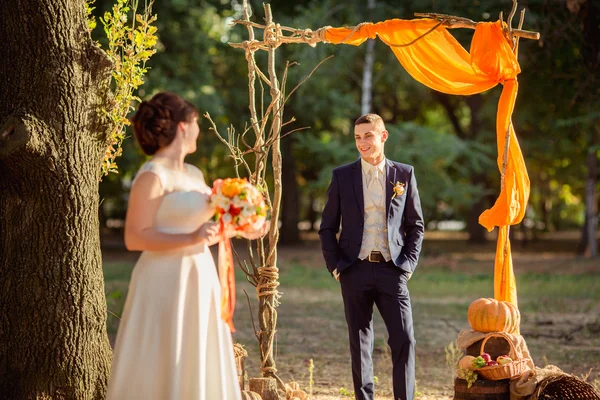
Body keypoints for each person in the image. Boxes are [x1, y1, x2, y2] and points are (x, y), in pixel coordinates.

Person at [107, 92, 259, 400]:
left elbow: (207, 230)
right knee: (164, 353)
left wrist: (245, 226)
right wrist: (190, 239)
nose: (198, 129)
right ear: (181, 127)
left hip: (199, 276)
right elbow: (135, 237)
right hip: (163, 279)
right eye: (195, 122)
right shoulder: (152, 175)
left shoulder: (194, 174)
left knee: (195, 353)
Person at [319, 113, 424, 400]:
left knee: (404, 340)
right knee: (361, 343)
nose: (362, 142)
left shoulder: (404, 174)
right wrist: (336, 267)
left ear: (383, 136)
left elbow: (416, 225)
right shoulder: (342, 176)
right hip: (355, 269)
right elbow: (327, 227)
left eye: (368, 135)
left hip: (393, 270)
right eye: (357, 137)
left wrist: (408, 265)